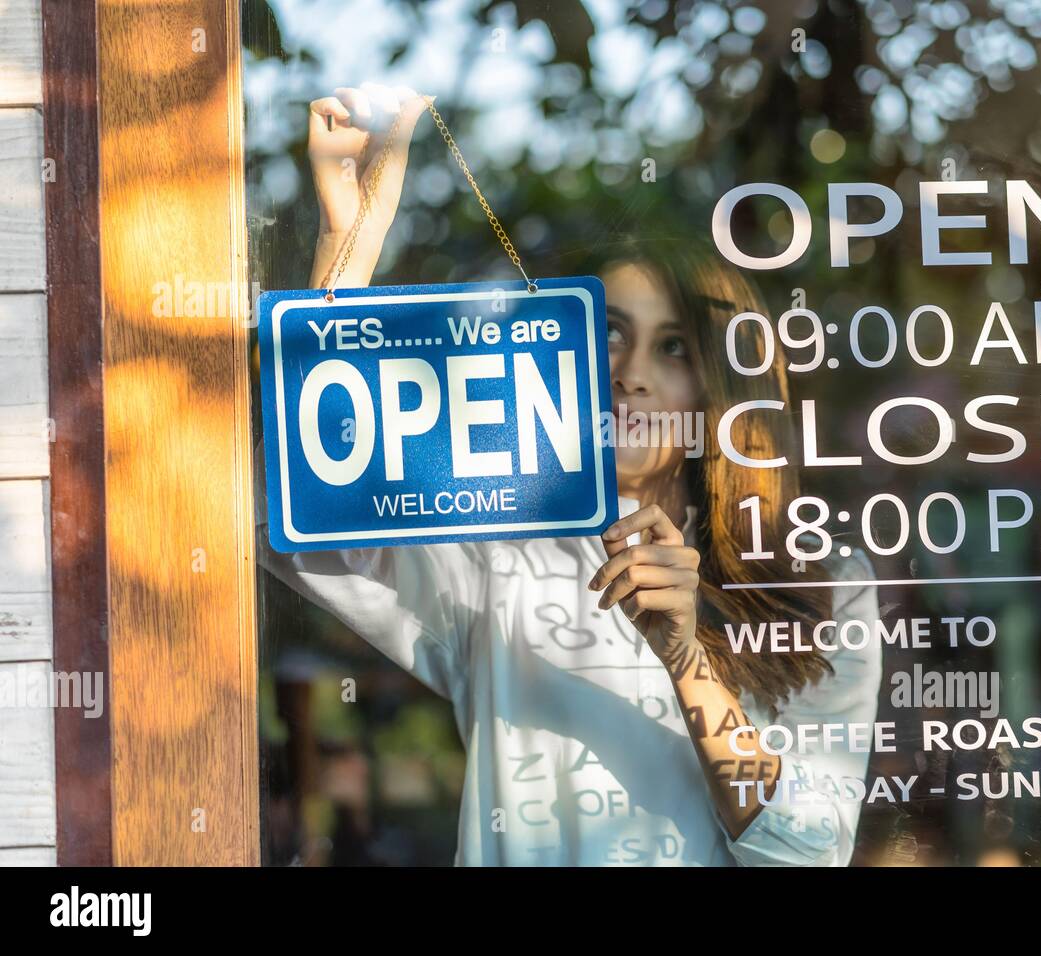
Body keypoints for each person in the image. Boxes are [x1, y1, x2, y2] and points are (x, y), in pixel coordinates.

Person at [257, 83, 883, 866]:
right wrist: (350, 240)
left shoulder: (828, 583)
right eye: (610, 335)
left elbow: (808, 850)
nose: (631, 375)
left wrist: (687, 658)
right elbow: (303, 502)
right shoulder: (497, 548)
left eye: (675, 348)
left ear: (725, 385)